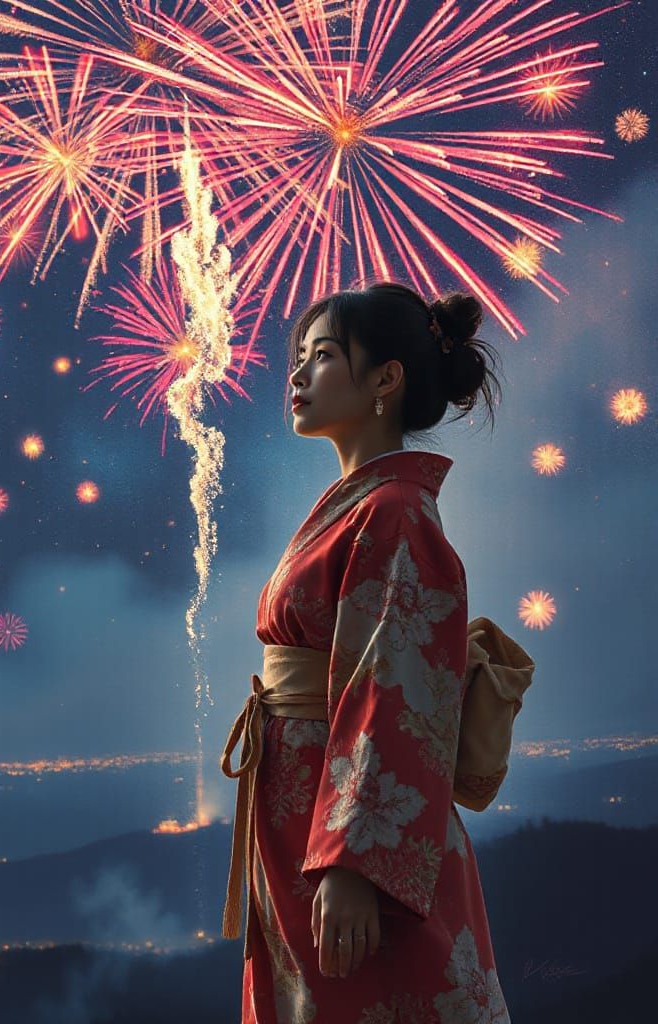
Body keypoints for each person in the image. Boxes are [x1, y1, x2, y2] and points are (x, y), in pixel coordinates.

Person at [222, 281, 509, 1022]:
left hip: (349, 831)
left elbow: (394, 686)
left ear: (387, 379)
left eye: (322, 358)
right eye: (300, 358)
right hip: (303, 805)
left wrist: (354, 863)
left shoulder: (396, 512)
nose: (296, 376)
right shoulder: (365, 503)